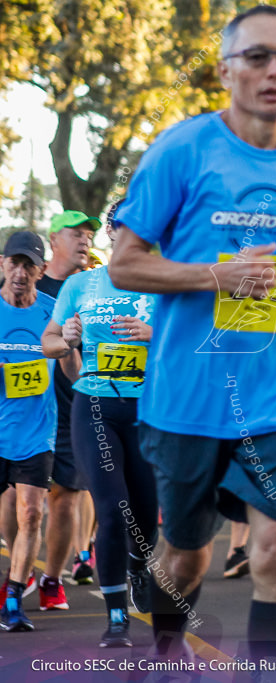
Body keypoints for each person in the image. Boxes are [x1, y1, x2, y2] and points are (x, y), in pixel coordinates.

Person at [108, 4, 276, 665]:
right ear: (224, 70)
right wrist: (216, 275)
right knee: (186, 557)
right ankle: (164, 651)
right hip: (189, 395)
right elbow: (125, 262)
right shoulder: (182, 151)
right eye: (257, 57)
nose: (274, 70)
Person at [41, 202, 158, 647]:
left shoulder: (163, 284)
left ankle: (138, 565)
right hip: (95, 405)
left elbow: (194, 341)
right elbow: (49, 340)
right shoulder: (80, 285)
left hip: (148, 410)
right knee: (110, 509)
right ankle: (115, 617)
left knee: (145, 518)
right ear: (112, 233)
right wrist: (65, 339)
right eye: (124, 228)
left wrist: (155, 334)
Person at [37, 210, 101, 606]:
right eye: (76, 234)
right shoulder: (31, 282)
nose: (85, 241)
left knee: (66, 495)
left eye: (89, 235)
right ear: (54, 239)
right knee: (17, 500)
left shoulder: (92, 287)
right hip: (25, 407)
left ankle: (49, 579)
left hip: (75, 403)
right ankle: (21, 569)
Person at [0, 231, 56, 632]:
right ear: (2, 264)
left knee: (32, 514)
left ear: (41, 270)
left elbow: (72, 368)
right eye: (14, 263)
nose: (21, 273)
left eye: (29, 265)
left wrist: (72, 348)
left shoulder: (53, 313)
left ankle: (14, 597)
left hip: (37, 433)